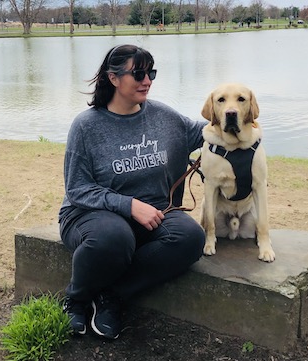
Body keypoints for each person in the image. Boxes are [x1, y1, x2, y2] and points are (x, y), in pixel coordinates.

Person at [58, 44, 206, 340]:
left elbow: (207, 131)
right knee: (115, 237)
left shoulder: (165, 117)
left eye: (150, 72)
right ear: (113, 78)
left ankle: (110, 296)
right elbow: (77, 188)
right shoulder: (87, 127)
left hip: (154, 213)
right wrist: (129, 205)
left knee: (191, 238)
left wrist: (237, 115)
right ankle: (76, 300)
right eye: (138, 73)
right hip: (90, 215)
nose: (147, 80)